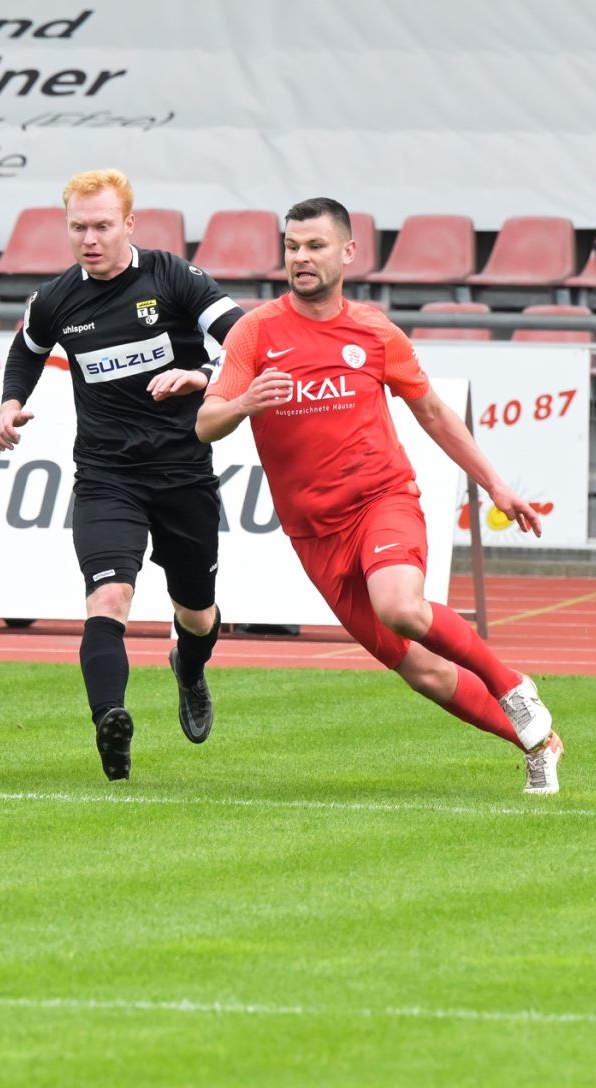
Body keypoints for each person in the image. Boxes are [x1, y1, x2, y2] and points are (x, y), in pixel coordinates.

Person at [197, 197, 563, 795]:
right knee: (422, 672)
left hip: (381, 500)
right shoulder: (255, 332)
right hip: (314, 533)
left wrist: (495, 483)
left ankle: (512, 686)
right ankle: (539, 744)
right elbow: (206, 423)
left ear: (347, 252)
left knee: (400, 605)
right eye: (292, 246)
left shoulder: (373, 331)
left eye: (315, 246)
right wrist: (242, 405)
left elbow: (435, 415)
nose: (301, 258)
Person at [0, 169, 243, 781]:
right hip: (106, 476)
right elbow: (27, 347)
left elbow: (245, 336)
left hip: (183, 472)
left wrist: (202, 377)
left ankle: (189, 666)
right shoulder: (54, 298)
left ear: (129, 223)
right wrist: (9, 401)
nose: (90, 239)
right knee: (108, 596)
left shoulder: (172, 276)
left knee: (198, 614)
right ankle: (111, 721)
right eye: (78, 227)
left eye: (103, 225)